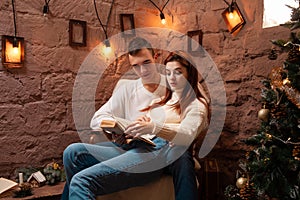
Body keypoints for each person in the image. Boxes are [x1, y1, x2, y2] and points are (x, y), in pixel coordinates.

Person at [61, 37, 209, 200]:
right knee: (73, 153)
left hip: (157, 150)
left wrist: (153, 127)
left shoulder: (196, 104)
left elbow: (187, 133)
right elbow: (141, 122)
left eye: (178, 72)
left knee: (81, 181)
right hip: (138, 145)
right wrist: (132, 128)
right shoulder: (165, 100)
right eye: (168, 73)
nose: (172, 78)